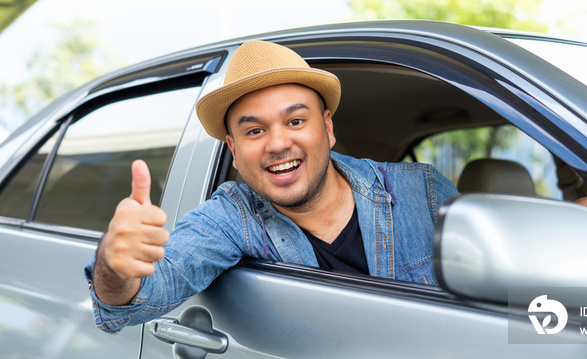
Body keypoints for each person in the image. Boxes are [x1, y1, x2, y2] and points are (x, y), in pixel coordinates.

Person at [85, 40, 458, 333]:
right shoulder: (231, 217)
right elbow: (124, 308)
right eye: (255, 131)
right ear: (233, 150)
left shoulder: (420, 191)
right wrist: (114, 265)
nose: (278, 144)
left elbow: (514, 298)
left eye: (295, 121)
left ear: (327, 128)